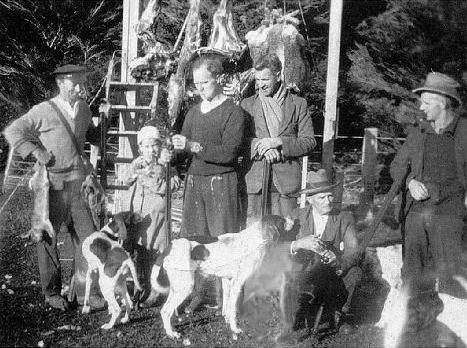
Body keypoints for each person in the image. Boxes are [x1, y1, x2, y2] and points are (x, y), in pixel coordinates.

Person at [3, 64, 108, 311]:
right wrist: (36, 151)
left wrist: (105, 120)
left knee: (88, 238)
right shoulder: (43, 110)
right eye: (75, 84)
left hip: (79, 185)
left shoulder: (83, 108)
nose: (81, 88)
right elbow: (13, 131)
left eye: (83, 83)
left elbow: (93, 137)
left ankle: (84, 293)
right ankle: (52, 293)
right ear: (61, 83)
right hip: (53, 184)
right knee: (48, 238)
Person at [243, 169, 362, 343]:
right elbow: (273, 247)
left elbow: (354, 250)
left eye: (330, 196)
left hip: (331, 271)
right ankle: (296, 314)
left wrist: (338, 260)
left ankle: (339, 314)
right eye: (322, 198)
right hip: (303, 272)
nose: (328, 201)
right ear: (310, 200)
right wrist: (297, 244)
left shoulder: (344, 217)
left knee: (355, 273)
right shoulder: (296, 217)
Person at [390, 72, 467, 329]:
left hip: (450, 211)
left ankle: (454, 325)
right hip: (419, 209)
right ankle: (417, 321)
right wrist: (410, 182)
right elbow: (396, 167)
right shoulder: (419, 133)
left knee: (451, 270)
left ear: (443, 103)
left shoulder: (464, 132)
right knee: (414, 264)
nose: (421, 107)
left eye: (425, 102)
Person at [172, 54, 245, 237]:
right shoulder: (193, 113)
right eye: (196, 84)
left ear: (218, 79)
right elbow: (183, 151)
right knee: (192, 242)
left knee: (223, 242)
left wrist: (194, 147)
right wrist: (172, 151)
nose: (200, 89)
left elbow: (229, 153)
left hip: (222, 183)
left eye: (205, 82)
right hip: (194, 182)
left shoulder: (234, 112)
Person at [240, 53, 316, 220]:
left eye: (265, 80)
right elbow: (239, 140)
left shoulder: (298, 104)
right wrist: (262, 146)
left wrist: (278, 143)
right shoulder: (247, 104)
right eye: (257, 80)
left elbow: (309, 142)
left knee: (285, 233)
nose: (260, 85)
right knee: (255, 236)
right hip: (255, 181)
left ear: (278, 74)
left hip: (285, 183)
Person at [125, 125, 181, 306]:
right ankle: (140, 287)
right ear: (140, 148)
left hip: (157, 216)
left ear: (160, 147)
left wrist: (149, 179)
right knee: (139, 252)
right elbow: (126, 179)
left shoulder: (166, 166)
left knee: (156, 253)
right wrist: (135, 174)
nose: (151, 150)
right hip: (139, 215)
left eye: (154, 145)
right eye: (146, 146)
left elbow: (172, 185)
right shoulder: (137, 164)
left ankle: (156, 290)